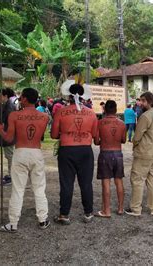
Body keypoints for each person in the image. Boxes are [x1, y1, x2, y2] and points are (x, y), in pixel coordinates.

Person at [0, 88, 50, 232]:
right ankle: (42, 219)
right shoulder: (44, 116)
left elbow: (8, 138)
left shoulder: (14, 115)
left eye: (21, 97)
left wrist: (0, 130)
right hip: (36, 152)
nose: (19, 99)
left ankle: (13, 223)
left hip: (20, 152)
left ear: (25, 99)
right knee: (39, 188)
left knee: (18, 189)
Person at [51, 84, 98, 224]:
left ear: (69, 96)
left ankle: (64, 215)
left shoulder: (61, 112)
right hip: (85, 150)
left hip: (67, 149)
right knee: (86, 183)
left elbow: (54, 135)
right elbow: (95, 136)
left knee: (66, 183)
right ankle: (88, 213)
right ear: (83, 96)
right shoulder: (91, 113)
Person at [124, 92, 153, 217]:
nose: (140, 103)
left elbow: (137, 136)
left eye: (143, 101)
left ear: (149, 102)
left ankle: (135, 208)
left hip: (143, 153)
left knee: (137, 180)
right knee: (152, 181)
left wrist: (134, 144)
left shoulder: (145, 116)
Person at [94, 100, 126, 217]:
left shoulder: (100, 123)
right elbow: (123, 140)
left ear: (105, 110)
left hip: (105, 153)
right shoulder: (122, 124)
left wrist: (105, 140)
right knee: (119, 181)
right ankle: (120, 208)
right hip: (118, 154)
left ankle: (106, 211)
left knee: (106, 183)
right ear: (116, 110)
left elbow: (96, 141)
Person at [0, 89, 16, 185]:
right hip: (6, 134)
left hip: (8, 134)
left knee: (10, 156)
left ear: (5, 96)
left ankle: (12, 176)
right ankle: (11, 175)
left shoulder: (9, 106)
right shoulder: (5, 105)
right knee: (9, 155)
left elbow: (6, 120)